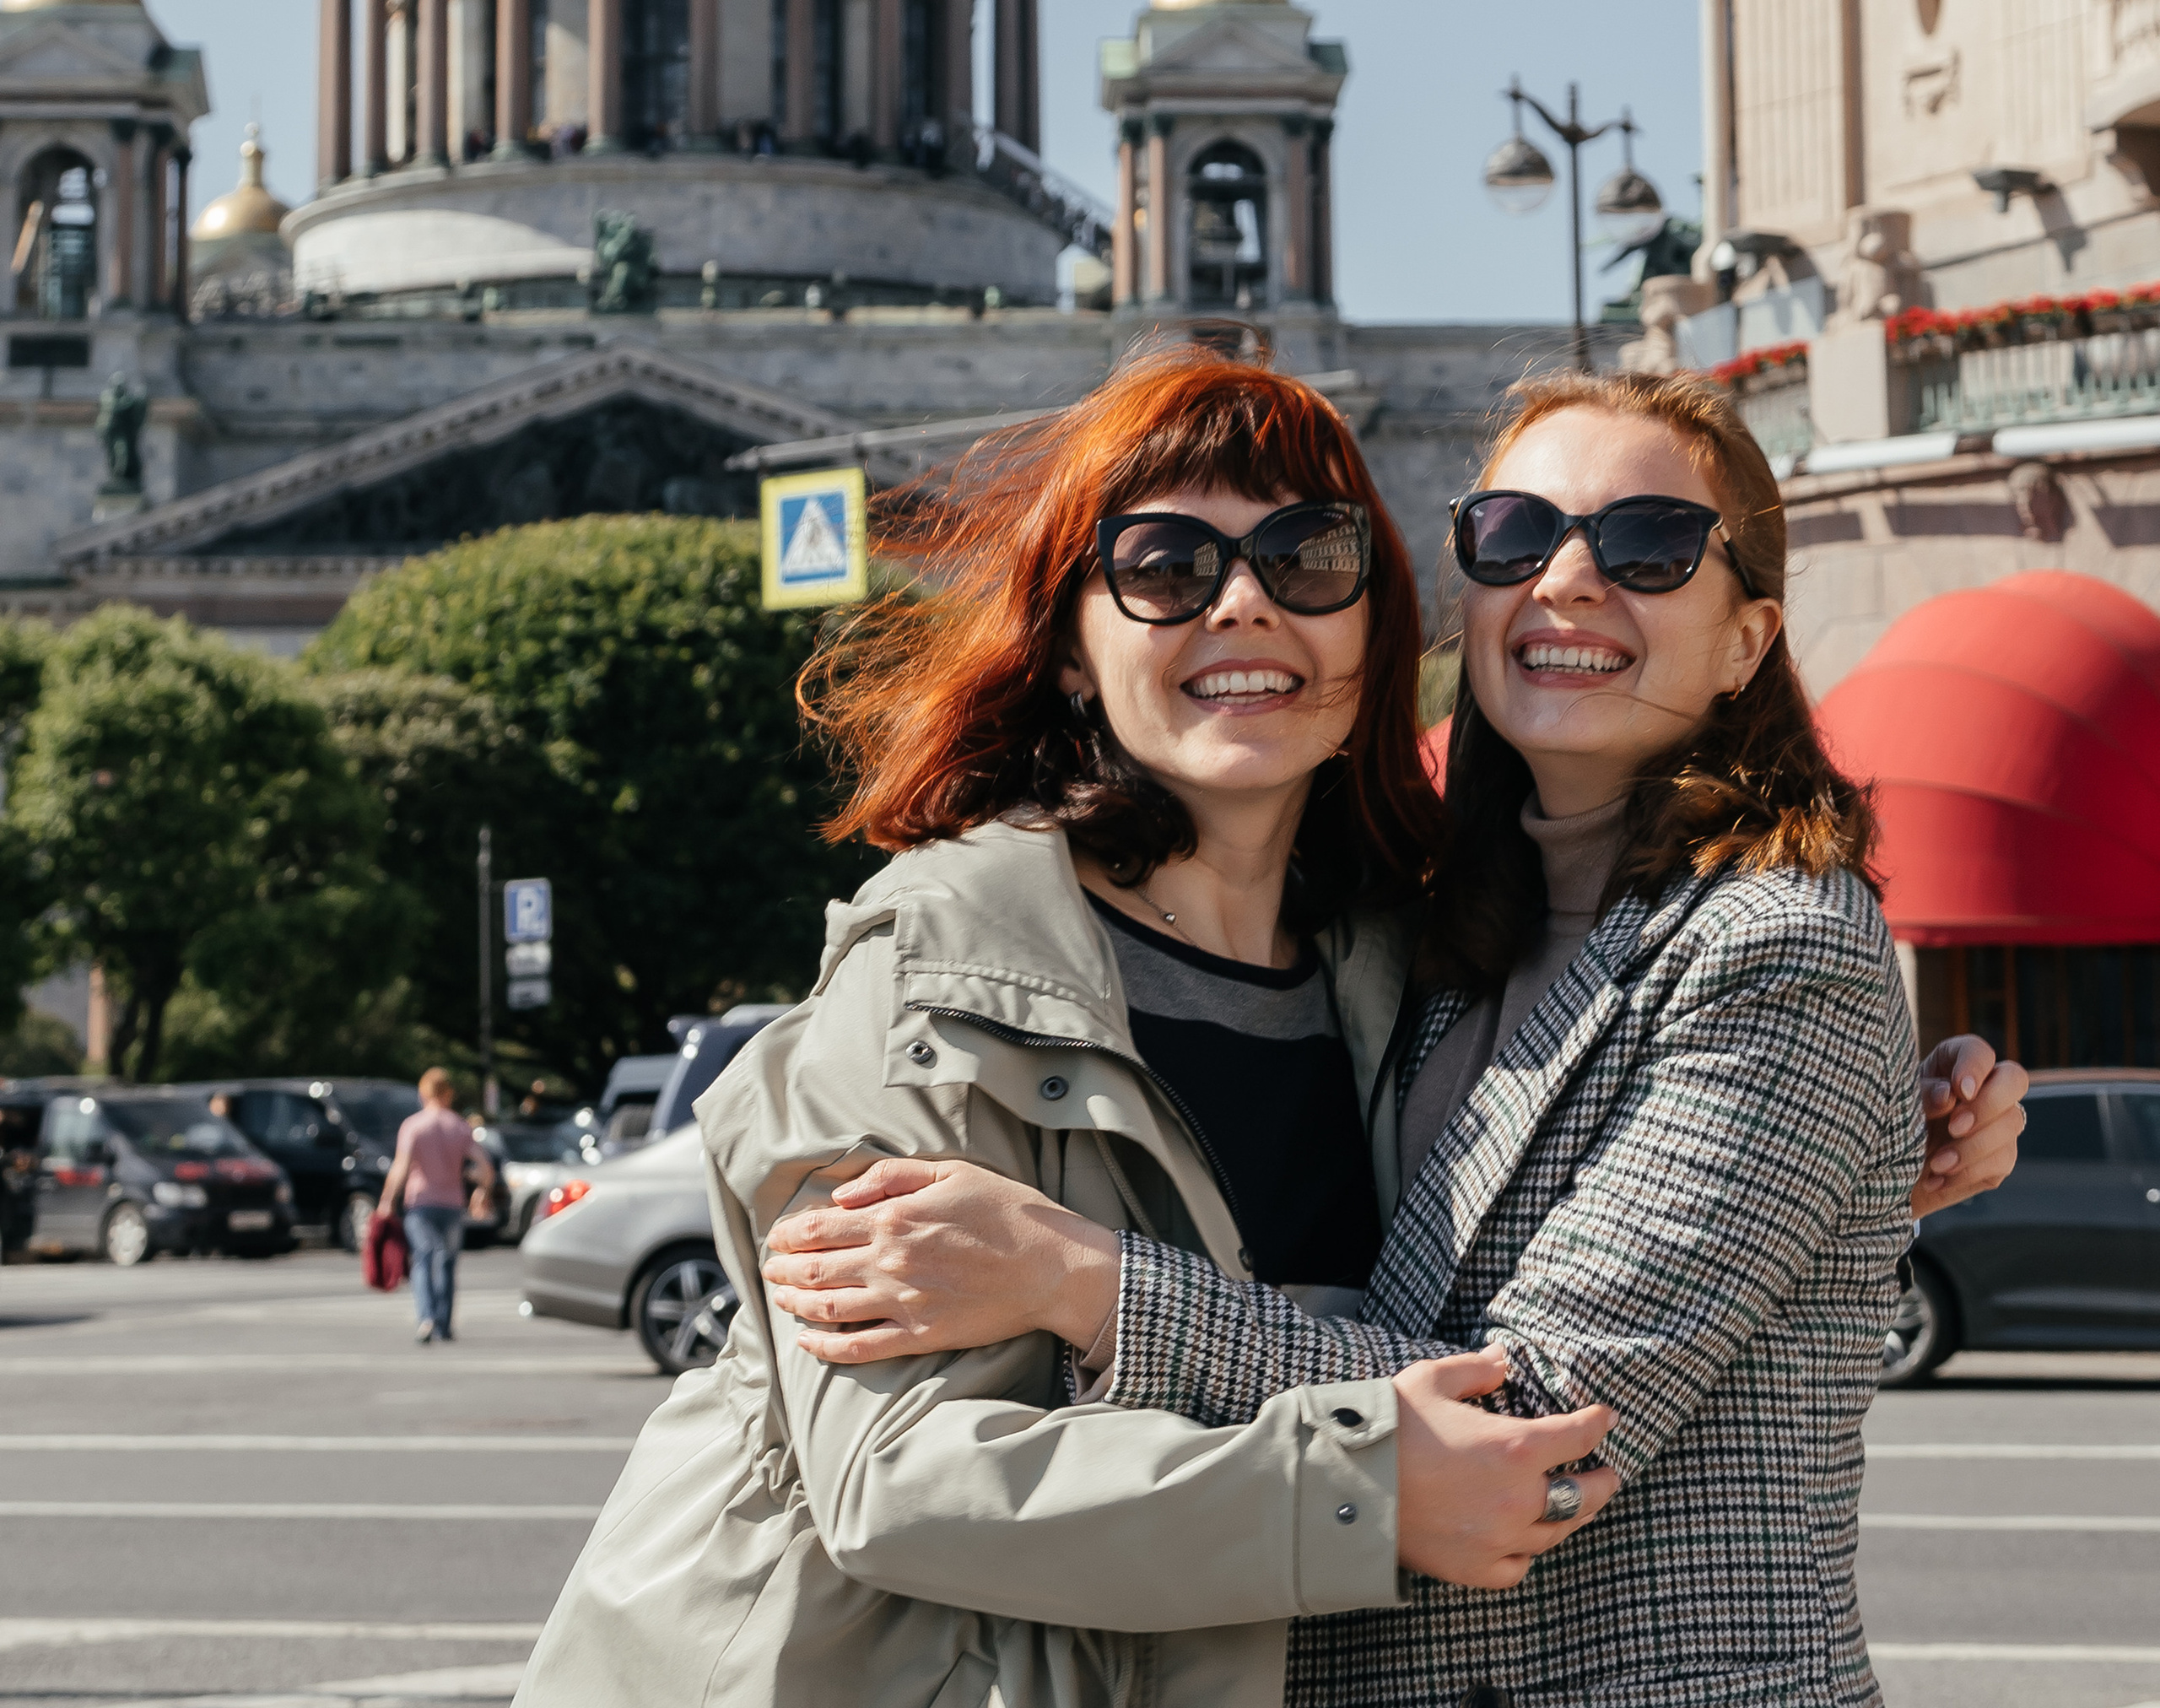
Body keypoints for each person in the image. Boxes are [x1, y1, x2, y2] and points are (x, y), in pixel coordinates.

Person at [518, 357, 2023, 1708]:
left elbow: (1518, 1413)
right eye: (1165, 567)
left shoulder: (1420, 948)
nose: (1242, 606)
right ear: (1067, 647)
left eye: (1307, 560)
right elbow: (895, 1474)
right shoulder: (953, 963)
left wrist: (1078, 1280)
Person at [377, 1068, 494, 1346]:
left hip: (421, 1204)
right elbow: (485, 1167)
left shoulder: (414, 1126)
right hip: (453, 1204)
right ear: (448, 1093)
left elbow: (401, 1167)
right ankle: (445, 1323)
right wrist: (481, 1192)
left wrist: (386, 1201)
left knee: (423, 1259)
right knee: (448, 1262)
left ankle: (426, 1317)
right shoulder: (460, 1126)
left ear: (424, 1093)